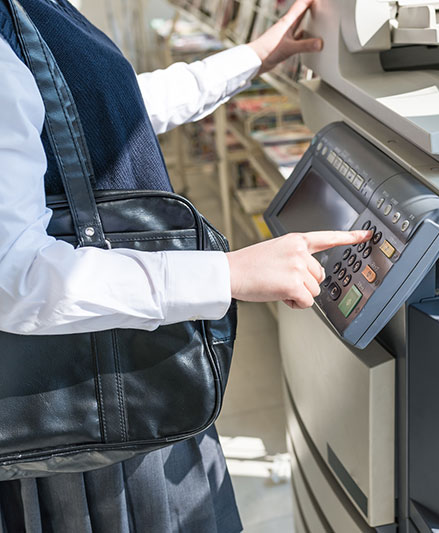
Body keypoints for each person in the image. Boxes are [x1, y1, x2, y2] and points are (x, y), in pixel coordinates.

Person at [0, 0, 368, 530]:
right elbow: (16, 276)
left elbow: (92, 112)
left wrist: (250, 59)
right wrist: (229, 272)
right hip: (88, 412)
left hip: (125, 358)